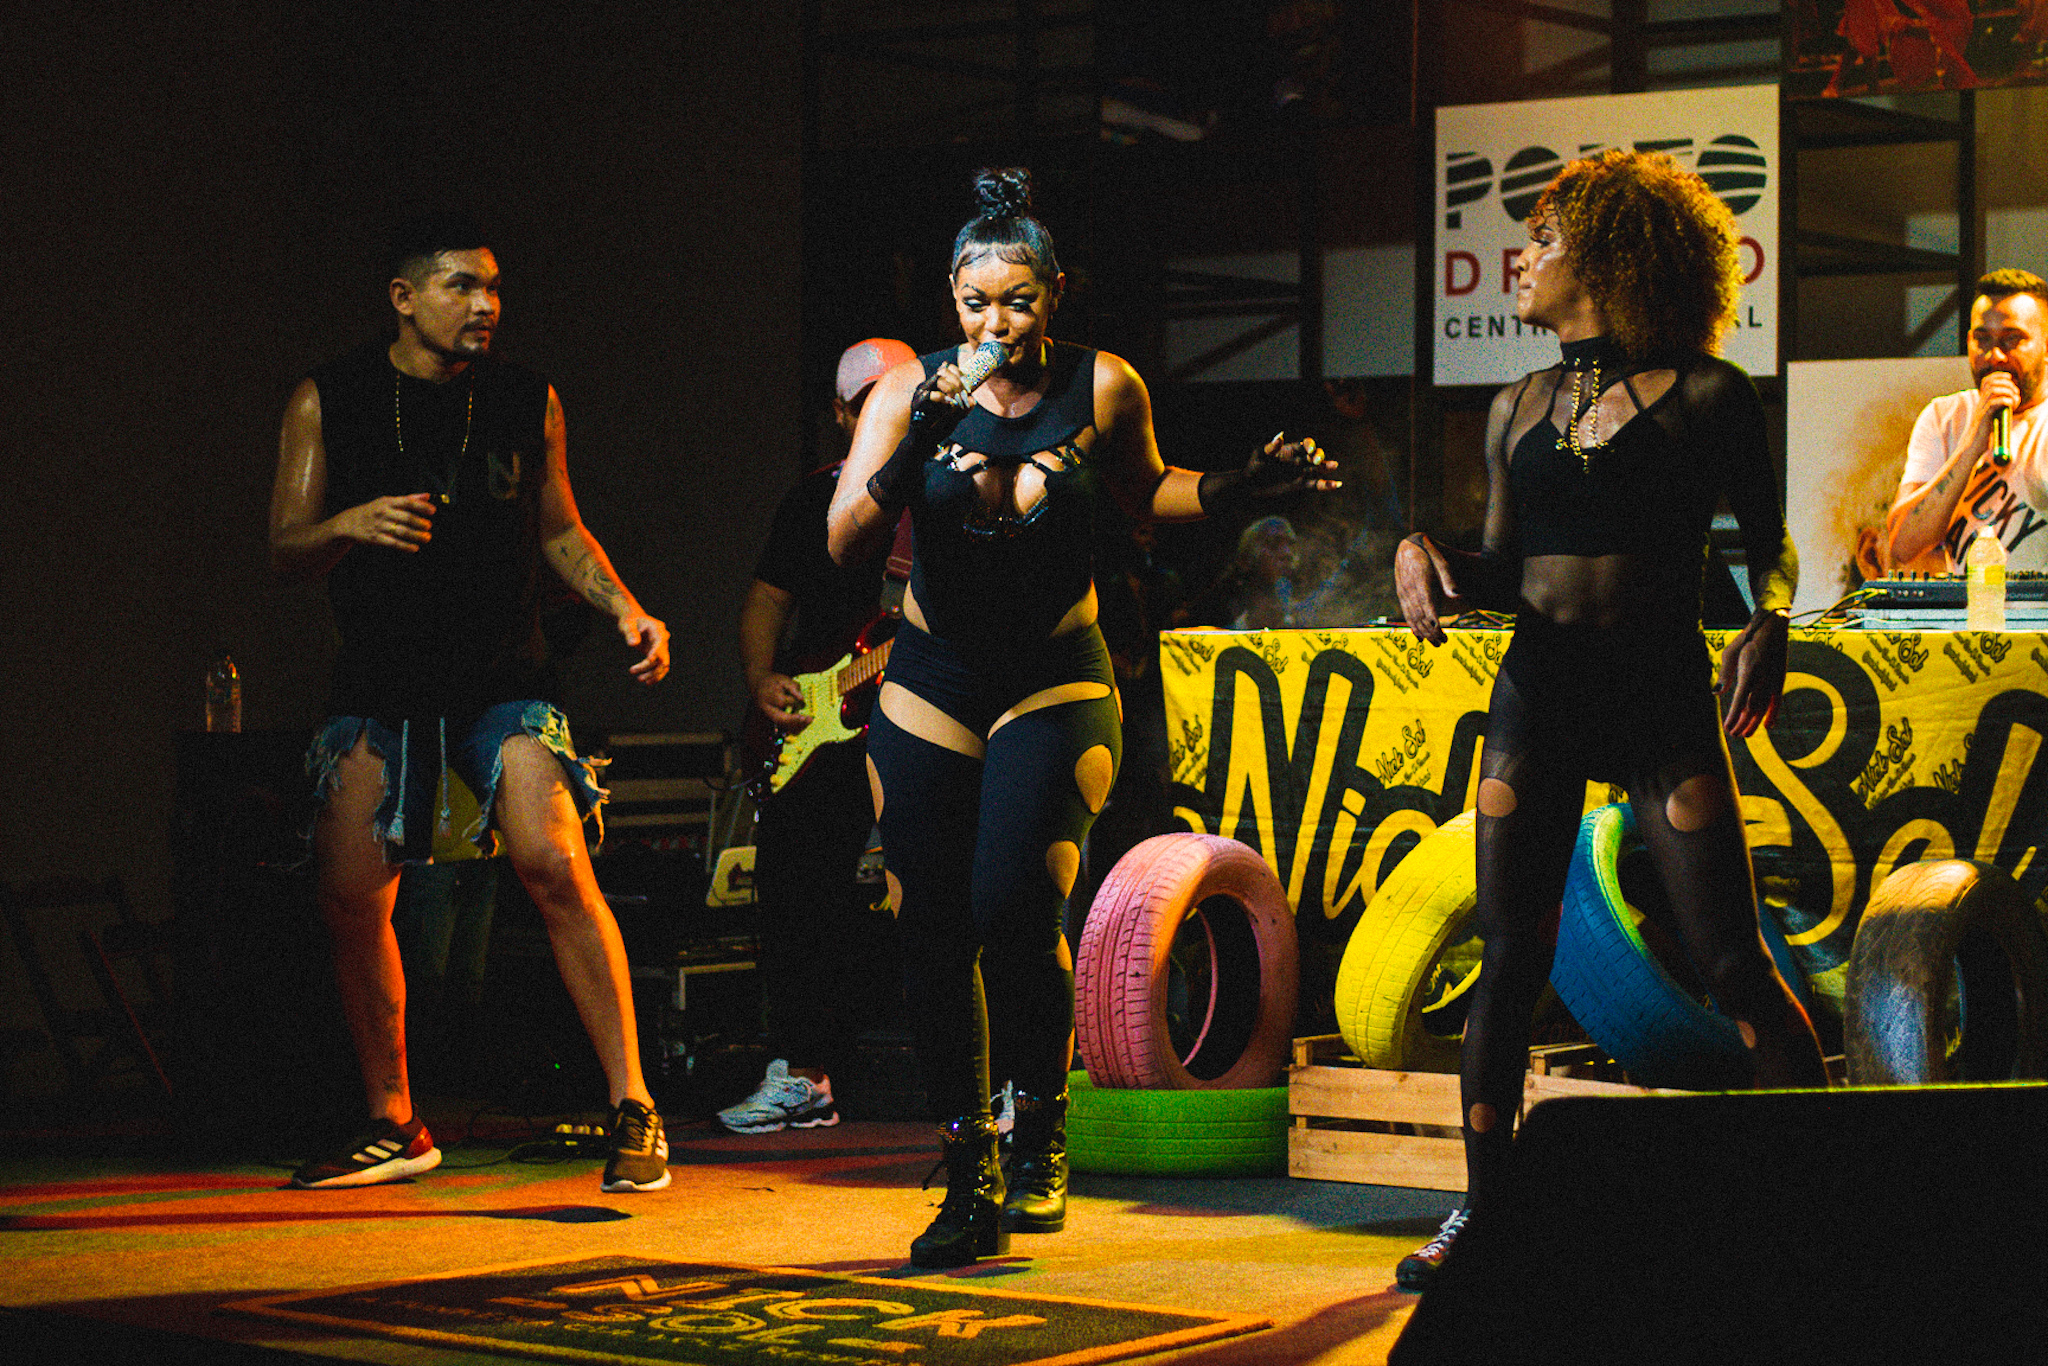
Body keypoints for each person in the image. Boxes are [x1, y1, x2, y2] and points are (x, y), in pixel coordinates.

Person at [827, 167, 1339, 1267]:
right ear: (952, 301)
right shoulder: (907, 390)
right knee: (931, 920)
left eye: (1018, 302)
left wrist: (1238, 485)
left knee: (1014, 904)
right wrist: (917, 435)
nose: (996, 325)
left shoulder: (1103, 384)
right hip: (932, 677)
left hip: (1054, 674)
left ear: (1054, 296)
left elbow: (1144, 489)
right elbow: (842, 538)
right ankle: (967, 1168)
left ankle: (1040, 1133)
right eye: (976, 303)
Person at [1393, 151, 1828, 1290]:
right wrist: (1426, 553)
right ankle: (1485, 1218)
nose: (1521, 259)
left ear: (1606, 255)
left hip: (1658, 698)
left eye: (1541, 238)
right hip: (1538, 694)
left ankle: (1823, 1196)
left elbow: (1768, 542)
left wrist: (1772, 616)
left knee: (1732, 960)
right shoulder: (1515, 405)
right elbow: (1505, 568)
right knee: (1508, 958)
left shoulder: (1708, 395)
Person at [269, 213, 674, 1192]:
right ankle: (394, 1121)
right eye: (461, 286)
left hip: (504, 676)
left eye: (492, 287)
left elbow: (560, 527)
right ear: (404, 298)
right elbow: (286, 546)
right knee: (352, 898)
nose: (485, 304)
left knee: (554, 861)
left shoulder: (527, 398)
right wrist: (350, 523)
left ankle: (634, 1106)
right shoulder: (331, 397)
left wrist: (625, 607)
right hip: (381, 678)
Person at [719, 337, 916, 1134]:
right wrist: (761, 677)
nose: (889, 408)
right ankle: (804, 1072)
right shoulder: (812, 500)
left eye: (902, 392)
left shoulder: (952, 487)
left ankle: (982, 1081)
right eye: (869, 399)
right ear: (840, 413)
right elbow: (767, 601)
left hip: (922, 713)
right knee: (797, 890)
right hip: (824, 716)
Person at [1887, 269, 2048, 572]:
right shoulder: (1943, 416)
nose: (1995, 356)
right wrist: (1972, 444)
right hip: (1970, 601)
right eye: (1982, 339)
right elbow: (1903, 544)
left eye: (2012, 339)